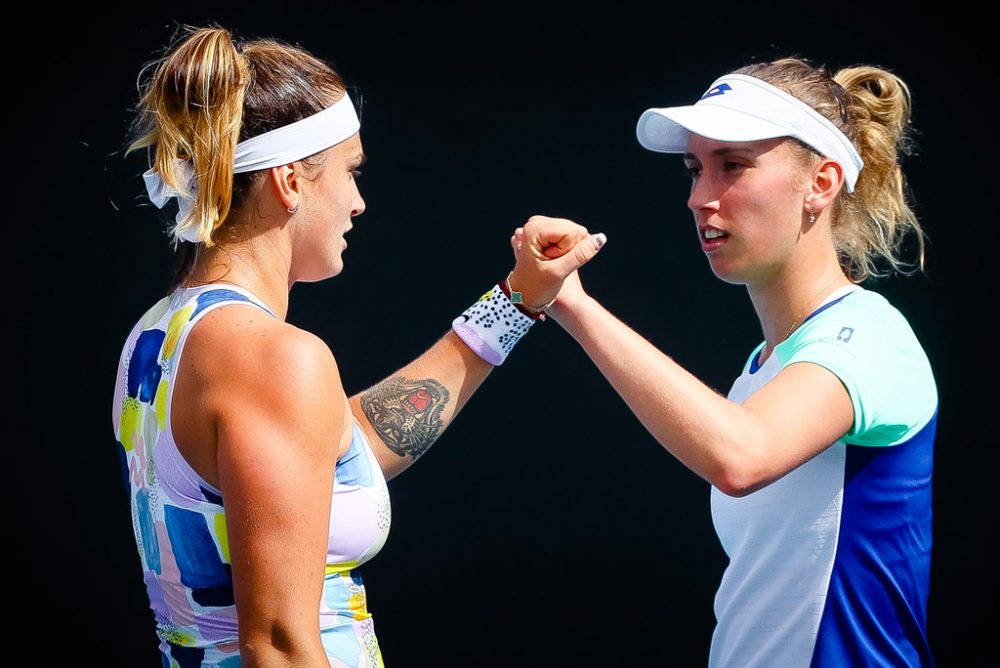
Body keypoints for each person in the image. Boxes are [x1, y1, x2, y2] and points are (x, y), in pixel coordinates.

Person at [111, 25, 604, 667]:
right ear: (290, 182)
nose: (359, 202)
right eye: (350, 172)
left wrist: (513, 303)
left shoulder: (158, 335)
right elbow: (281, 648)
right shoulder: (277, 358)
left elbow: (335, 450)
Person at [519, 58, 937, 666]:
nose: (699, 197)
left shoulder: (871, 335)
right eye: (695, 169)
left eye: (733, 166)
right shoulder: (760, 372)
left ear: (820, 184)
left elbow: (740, 456)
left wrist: (575, 306)